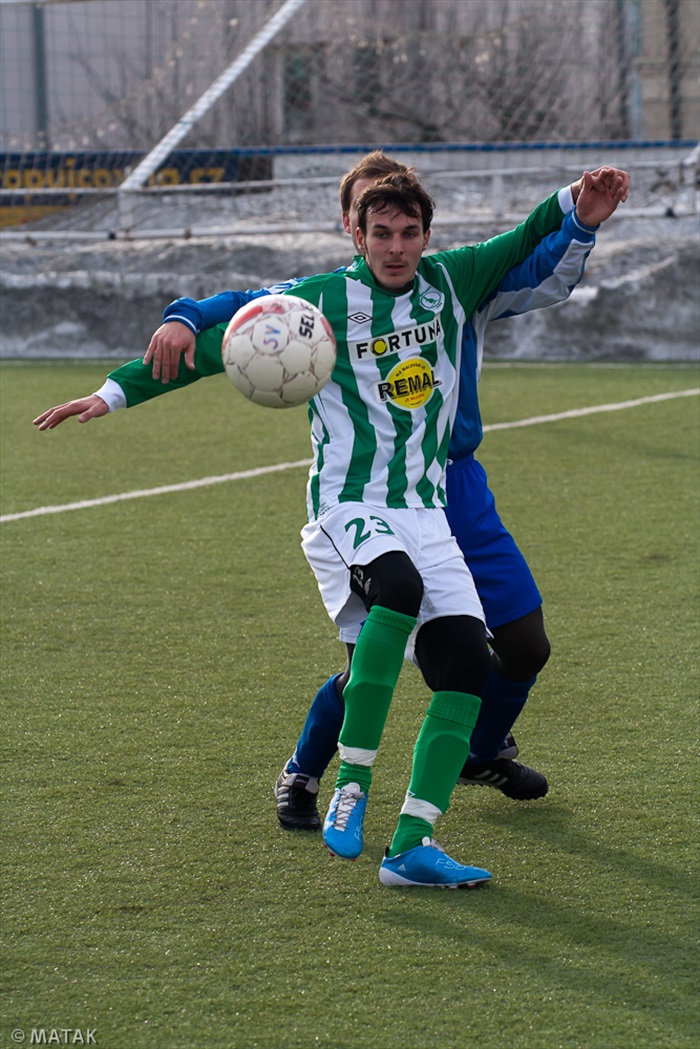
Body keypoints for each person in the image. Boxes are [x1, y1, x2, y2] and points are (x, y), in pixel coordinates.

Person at [34, 166, 627, 888]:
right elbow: (233, 319)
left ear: (426, 233)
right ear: (354, 229)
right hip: (359, 499)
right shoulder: (321, 302)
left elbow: (533, 245)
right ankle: (327, 777)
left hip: (446, 492)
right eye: (379, 230)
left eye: (409, 232)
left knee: (490, 651)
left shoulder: (459, 282)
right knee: (376, 637)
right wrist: (129, 375)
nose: (396, 246)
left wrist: (580, 215)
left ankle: (449, 789)